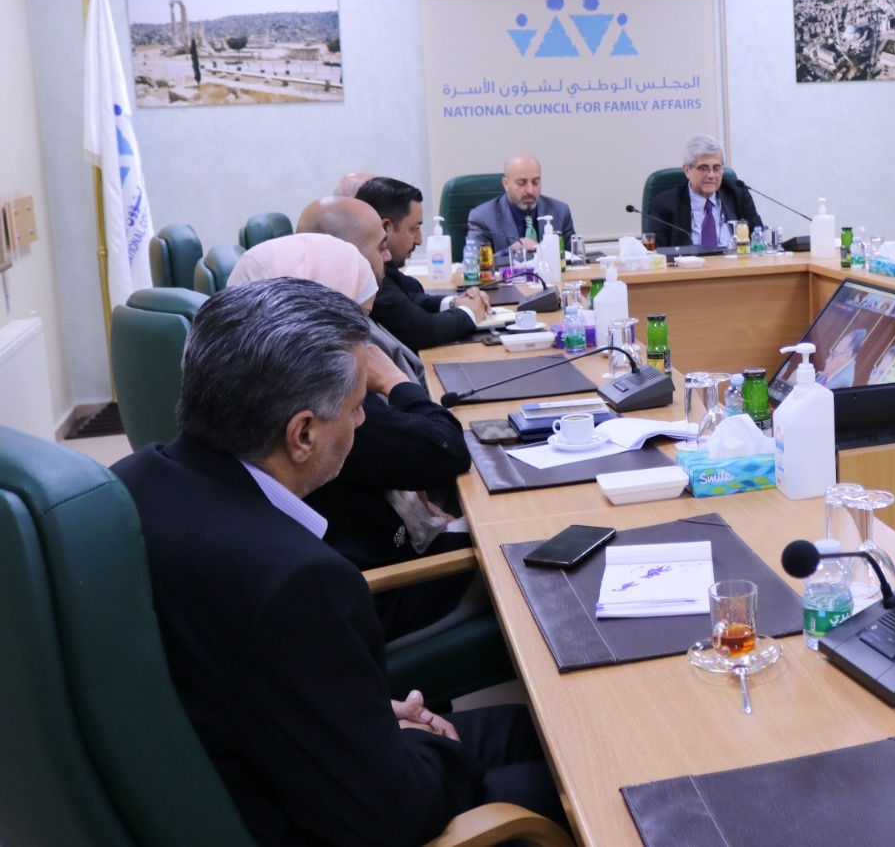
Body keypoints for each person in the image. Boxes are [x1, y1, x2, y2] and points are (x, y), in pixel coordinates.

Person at [111, 277, 562, 845]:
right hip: (297, 817)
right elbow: (393, 817)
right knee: (572, 782)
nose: (364, 421)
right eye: (356, 408)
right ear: (302, 433)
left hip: (227, 767)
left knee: (531, 729)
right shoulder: (296, 581)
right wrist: (425, 742)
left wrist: (365, 714)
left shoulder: (128, 484)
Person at [230, 233, 478, 643]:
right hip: (378, 596)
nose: (367, 340)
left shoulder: (244, 379)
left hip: (347, 578)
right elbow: (444, 452)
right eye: (358, 322)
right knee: (519, 547)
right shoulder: (323, 402)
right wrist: (396, 382)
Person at [297, 196, 426, 382]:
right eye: (381, 248)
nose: (388, 257)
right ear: (349, 255)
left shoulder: (347, 311)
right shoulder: (346, 346)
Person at [357, 176, 491, 352]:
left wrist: (455, 302)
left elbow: (409, 299)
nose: (419, 240)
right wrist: (470, 313)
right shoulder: (367, 272)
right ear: (386, 227)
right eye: (414, 228)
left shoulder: (382, 268)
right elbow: (421, 331)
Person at [646, 133, 762, 248]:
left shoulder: (739, 194)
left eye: (717, 168)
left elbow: (758, 239)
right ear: (687, 170)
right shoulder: (664, 205)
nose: (711, 175)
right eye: (703, 168)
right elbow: (656, 253)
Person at [463, 154, 575, 259]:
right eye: (521, 183)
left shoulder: (560, 211)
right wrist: (510, 251)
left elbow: (575, 258)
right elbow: (474, 262)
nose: (530, 190)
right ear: (506, 184)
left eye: (535, 182)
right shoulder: (482, 217)